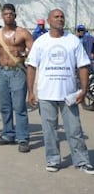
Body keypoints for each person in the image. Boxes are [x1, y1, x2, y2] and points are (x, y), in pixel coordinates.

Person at [26, 9, 94, 174]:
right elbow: (31, 67)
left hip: (68, 95)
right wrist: (31, 92)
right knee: (49, 131)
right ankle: (53, 159)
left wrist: (84, 90)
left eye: (62, 16)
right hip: (46, 95)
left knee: (75, 130)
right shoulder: (41, 42)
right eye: (56, 17)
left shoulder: (73, 41)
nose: (60, 19)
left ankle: (82, 161)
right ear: (49, 21)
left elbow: (83, 66)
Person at [0, 4, 33, 153]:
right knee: (4, 106)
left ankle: (23, 138)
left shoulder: (23, 33)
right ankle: (8, 134)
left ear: (15, 15)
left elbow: (35, 51)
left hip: (17, 72)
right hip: (1, 72)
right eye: (5, 14)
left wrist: (24, 55)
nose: (8, 17)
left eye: (11, 14)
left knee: (19, 106)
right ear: (2, 16)